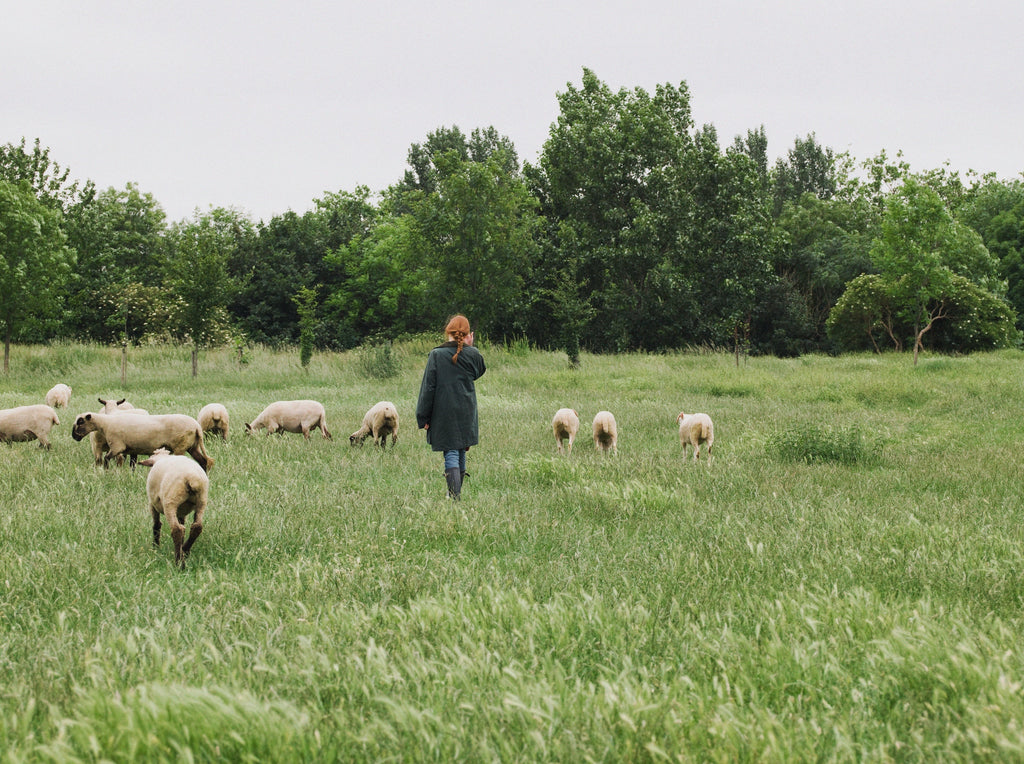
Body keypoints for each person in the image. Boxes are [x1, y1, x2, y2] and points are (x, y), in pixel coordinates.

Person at [415, 315, 486, 500]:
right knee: (461, 448)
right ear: (468, 334)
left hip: (444, 411)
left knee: (452, 451)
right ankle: (454, 495)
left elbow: (428, 388)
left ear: (448, 331)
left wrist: (423, 416)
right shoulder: (473, 354)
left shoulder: (437, 355)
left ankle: (454, 497)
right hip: (466, 410)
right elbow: (479, 370)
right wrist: (469, 346)